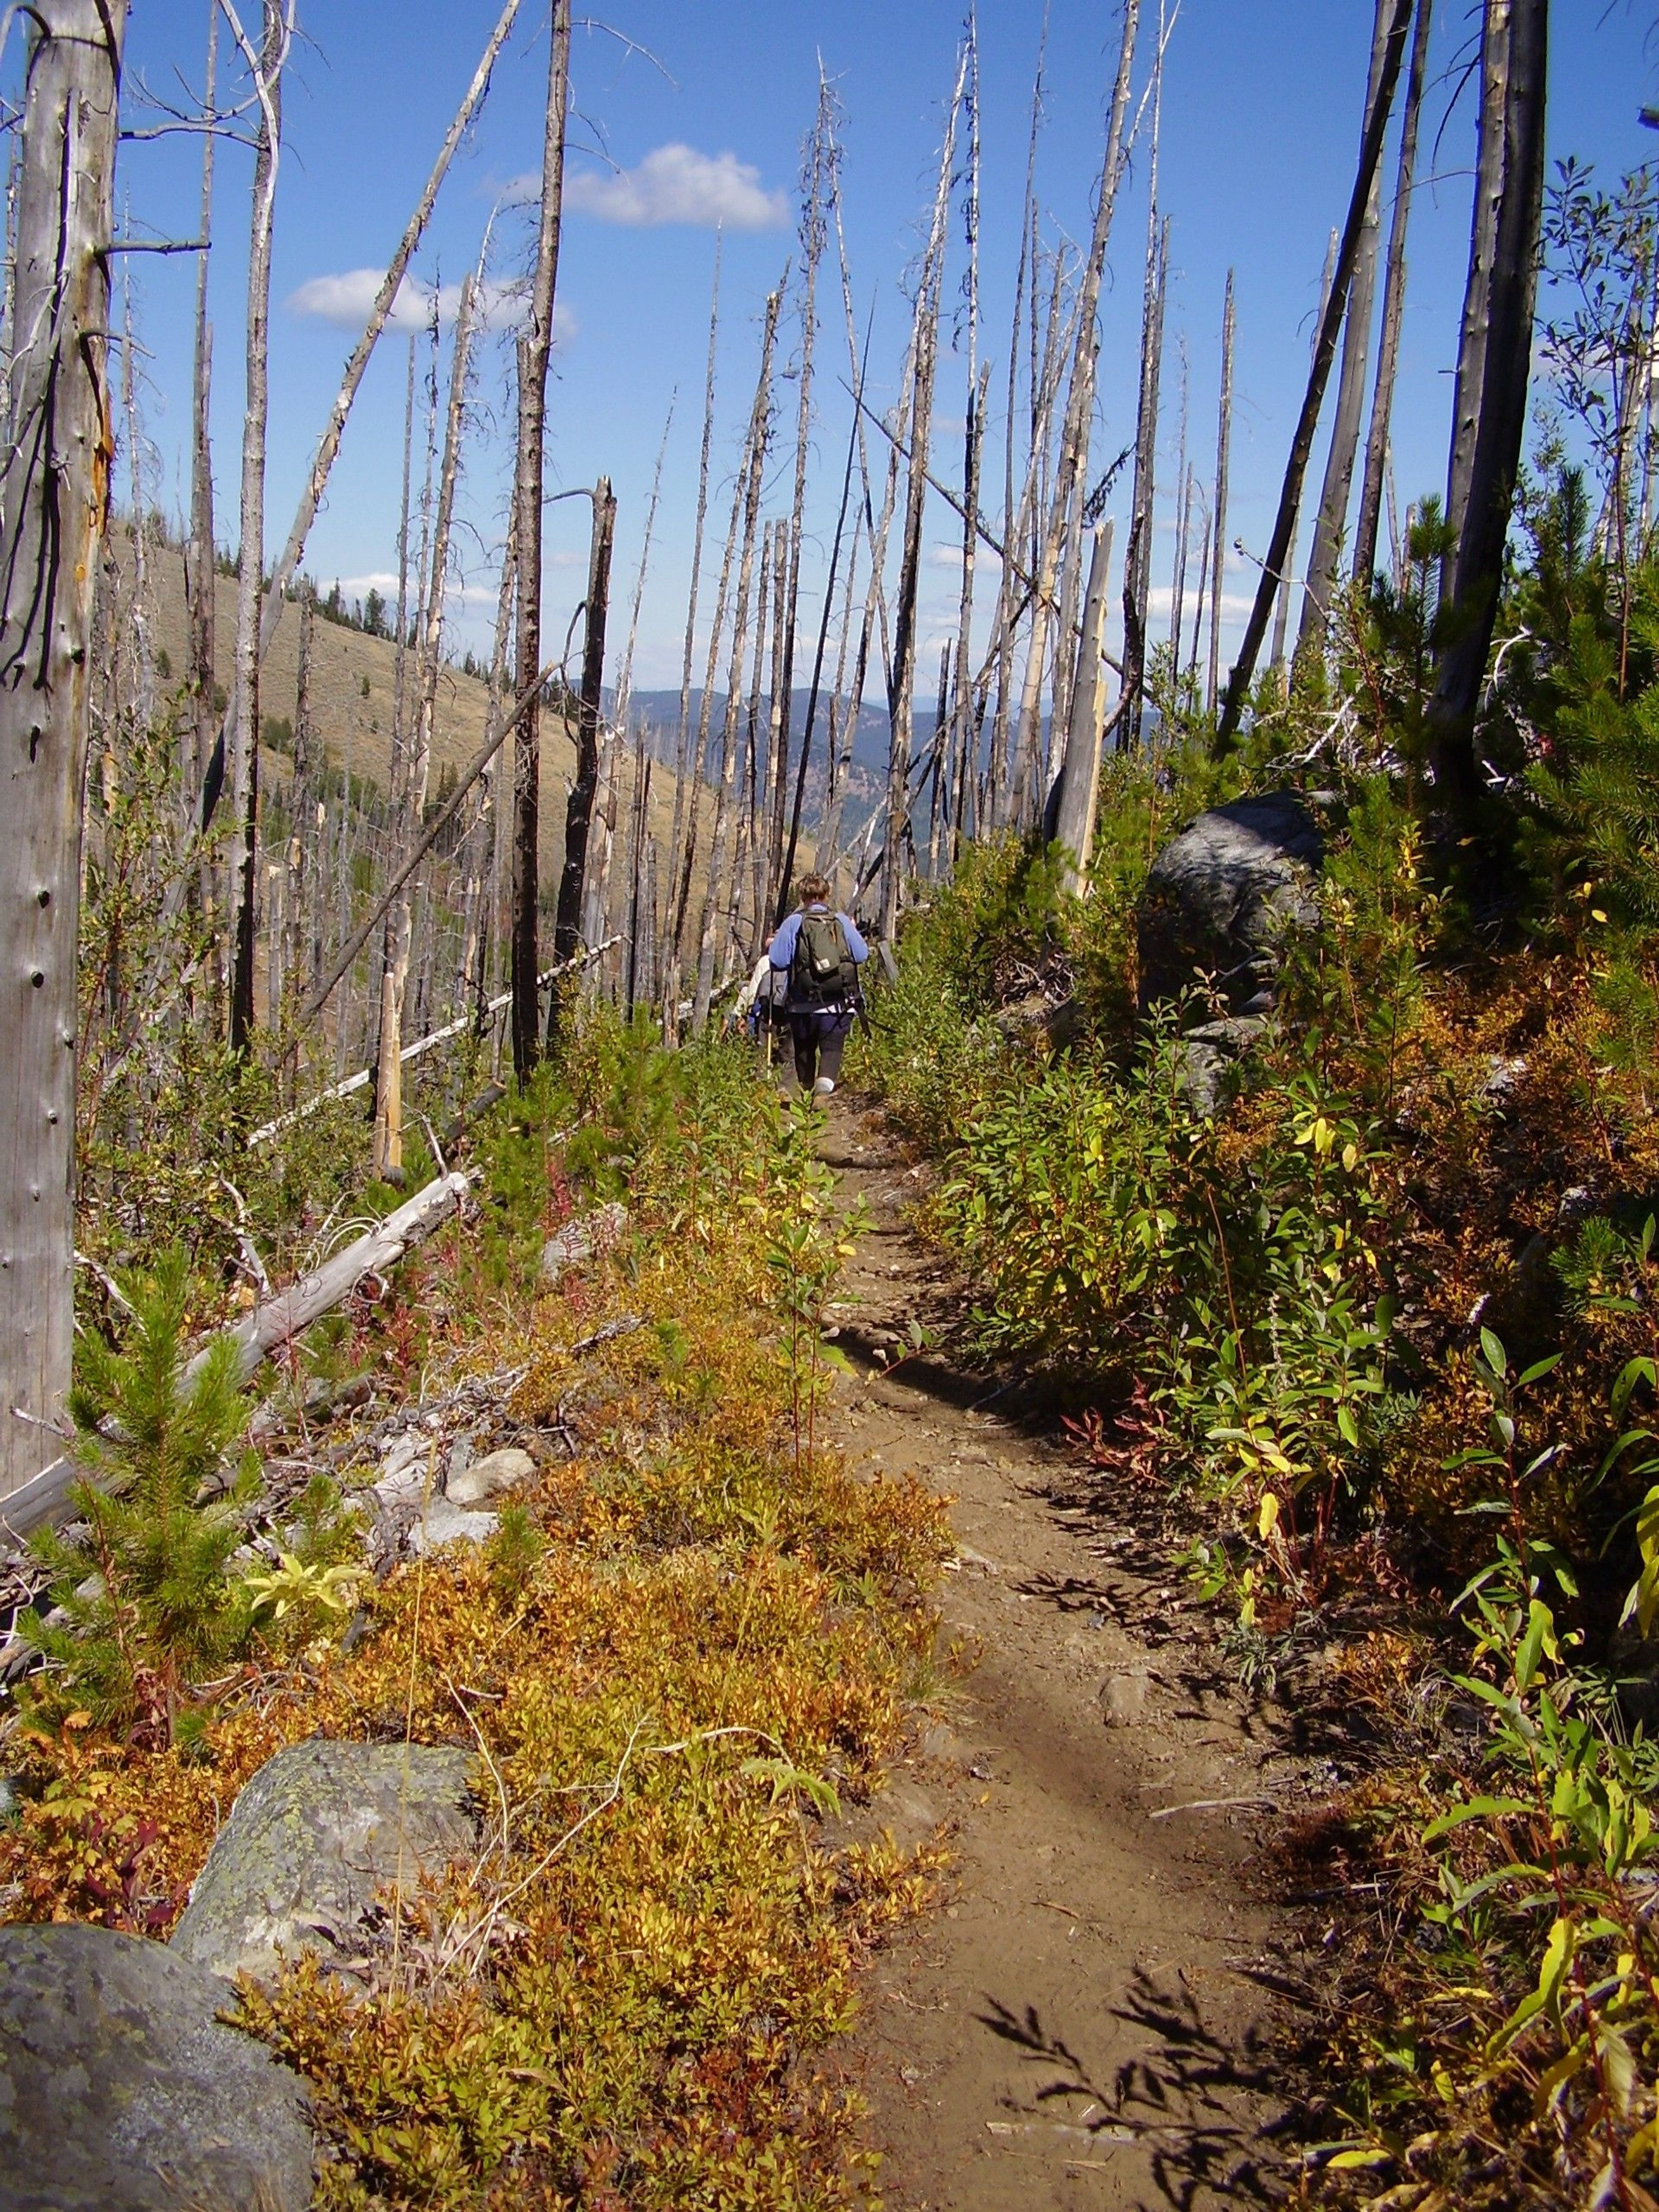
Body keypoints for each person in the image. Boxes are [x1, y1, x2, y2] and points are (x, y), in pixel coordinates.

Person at [767, 873, 869, 1095]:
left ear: (802, 896)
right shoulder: (841, 921)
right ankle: (823, 1094)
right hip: (839, 1005)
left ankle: (805, 1096)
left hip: (802, 1005)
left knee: (804, 1051)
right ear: (827, 894)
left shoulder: (793, 923)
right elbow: (862, 954)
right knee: (832, 1049)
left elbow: (777, 961)